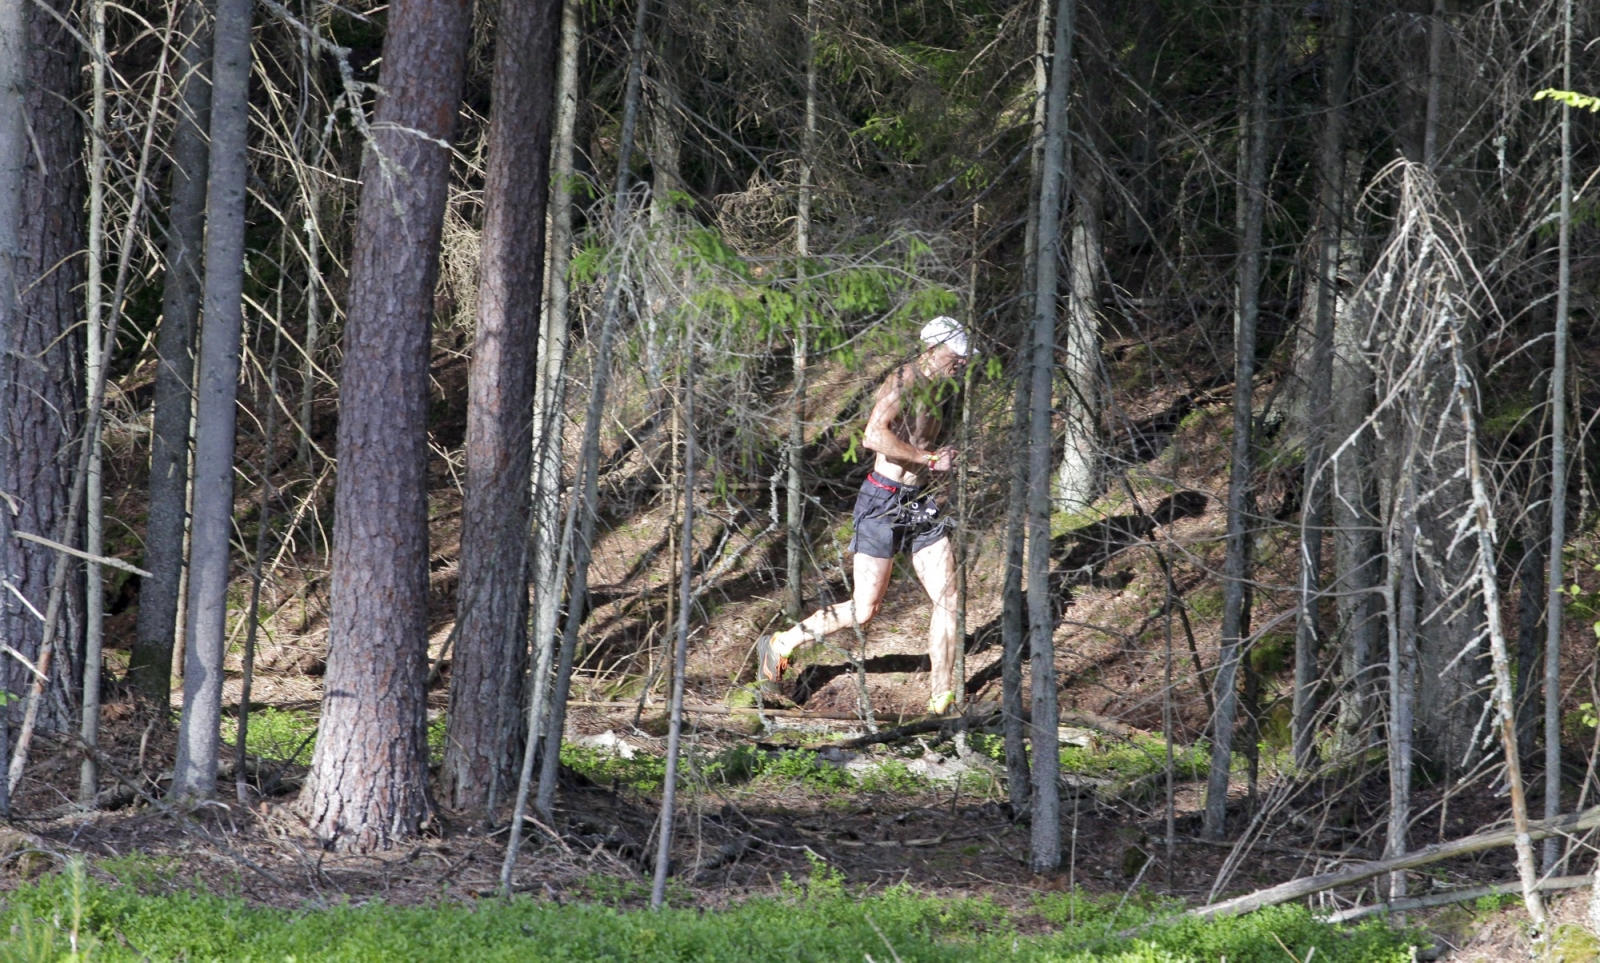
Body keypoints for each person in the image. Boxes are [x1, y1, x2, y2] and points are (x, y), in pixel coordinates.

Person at [756, 316, 972, 714]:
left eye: (964, 358)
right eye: (956, 356)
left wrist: (942, 458)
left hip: (918, 501)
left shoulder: (941, 391)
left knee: (949, 597)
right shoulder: (905, 380)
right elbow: (873, 435)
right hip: (882, 501)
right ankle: (783, 642)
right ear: (935, 348)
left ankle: (943, 699)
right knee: (864, 608)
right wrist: (928, 458)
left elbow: (922, 442)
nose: (961, 364)